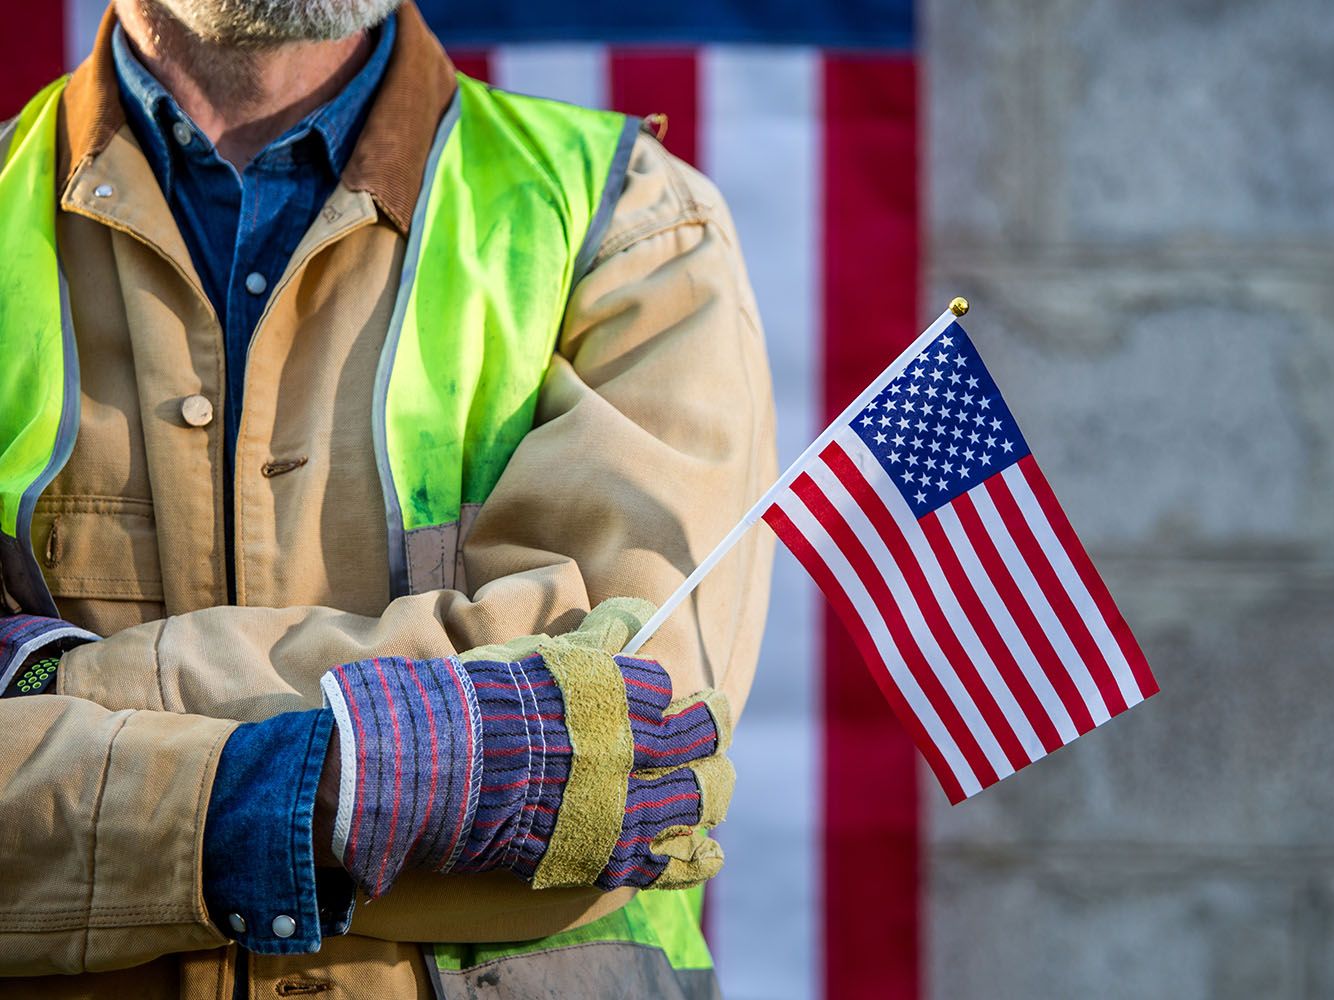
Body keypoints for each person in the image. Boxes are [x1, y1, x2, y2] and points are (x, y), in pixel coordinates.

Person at [0, 0, 775, 996]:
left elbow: (623, 743)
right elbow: (534, 754)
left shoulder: (626, 218)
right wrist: (347, 778)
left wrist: (52, 691)